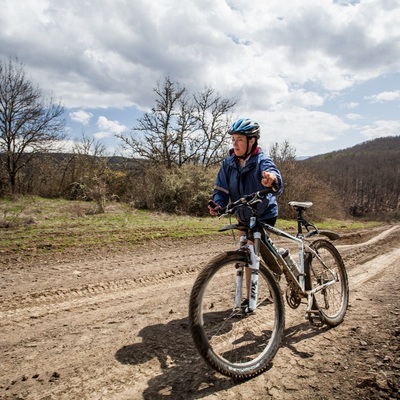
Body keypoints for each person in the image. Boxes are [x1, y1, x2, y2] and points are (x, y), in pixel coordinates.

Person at [208, 117, 283, 307]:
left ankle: (250, 299)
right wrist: (218, 204)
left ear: (252, 141)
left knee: (251, 248)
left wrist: (271, 180)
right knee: (248, 250)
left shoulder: (262, 160)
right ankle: (276, 264)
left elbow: (274, 175)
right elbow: (221, 190)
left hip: (263, 212)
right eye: (233, 139)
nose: (235, 144)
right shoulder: (229, 163)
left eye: (239, 139)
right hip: (242, 212)